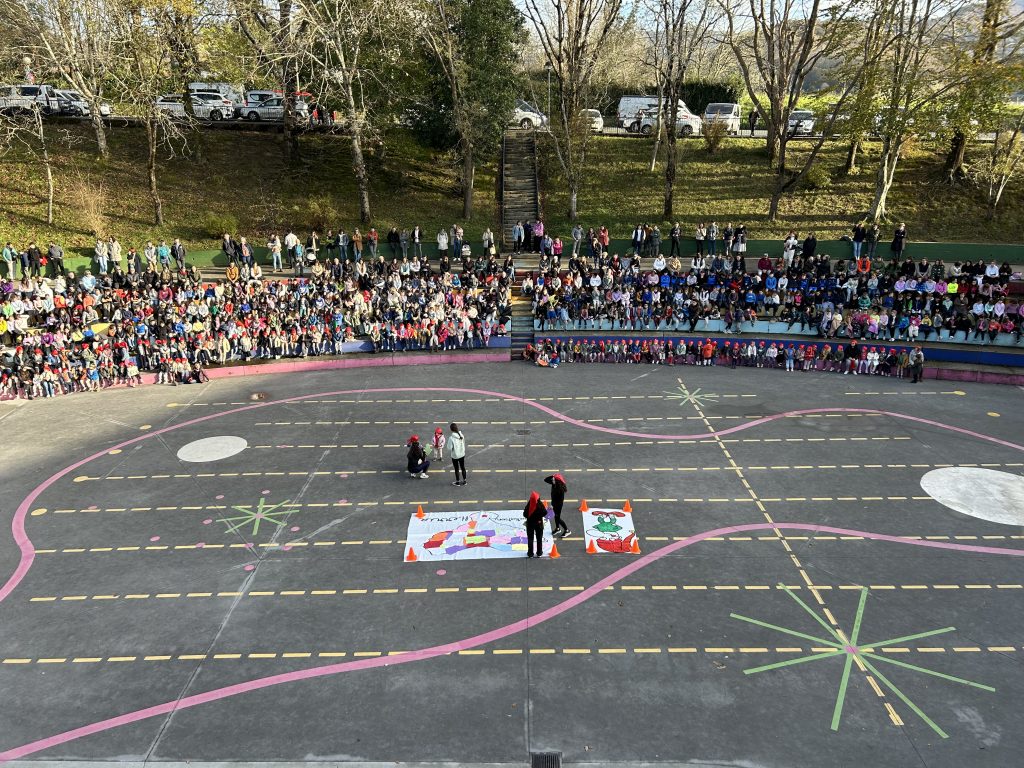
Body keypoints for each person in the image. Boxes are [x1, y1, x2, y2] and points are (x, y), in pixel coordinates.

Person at [544, 473, 570, 537]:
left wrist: (552, 505)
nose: (552, 480)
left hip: (558, 505)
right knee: (556, 517)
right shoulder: (554, 484)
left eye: (553, 480)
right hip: (554, 503)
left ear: (557, 481)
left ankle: (567, 530)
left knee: (557, 518)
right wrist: (553, 476)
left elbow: (559, 500)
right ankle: (557, 528)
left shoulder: (560, 490)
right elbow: (546, 480)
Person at [524, 491, 547, 558]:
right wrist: (539, 516)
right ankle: (539, 553)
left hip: (530, 524)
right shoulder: (540, 504)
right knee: (539, 538)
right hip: (539, 523)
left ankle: (530, 553)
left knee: (530, 538)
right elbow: (545, 512)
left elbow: (525, 514)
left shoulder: (529, 505)